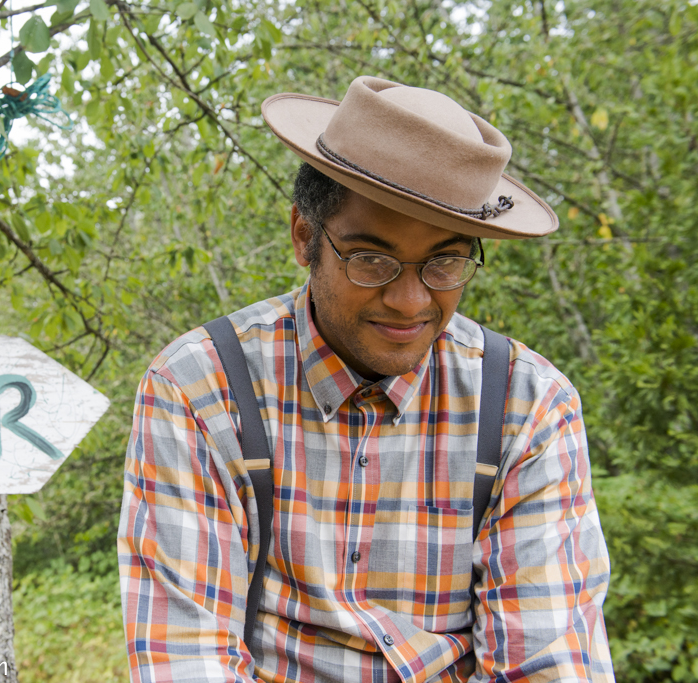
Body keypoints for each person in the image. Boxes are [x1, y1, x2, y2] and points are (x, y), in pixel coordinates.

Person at [117, 76, 614, 683]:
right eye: (371, 258)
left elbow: (547, 661)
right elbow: (187, 658)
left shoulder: (527, 406)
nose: (409, 301)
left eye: (446, 262)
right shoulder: (201, 387)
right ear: (305, 236)